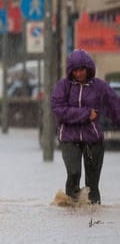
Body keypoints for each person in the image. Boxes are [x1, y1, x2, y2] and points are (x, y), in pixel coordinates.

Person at [50, 49, 120, 205]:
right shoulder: (63, 86)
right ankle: (72, 210)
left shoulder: (100, 87)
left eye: (81, 70)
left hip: (93, 139)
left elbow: (115, 107)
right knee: (74, 173)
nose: (78, 74)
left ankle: (93, 218)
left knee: (92, 184)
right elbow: (58, 109)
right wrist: (86, 114)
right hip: (69, 137)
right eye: (75, 70)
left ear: (88, 69)